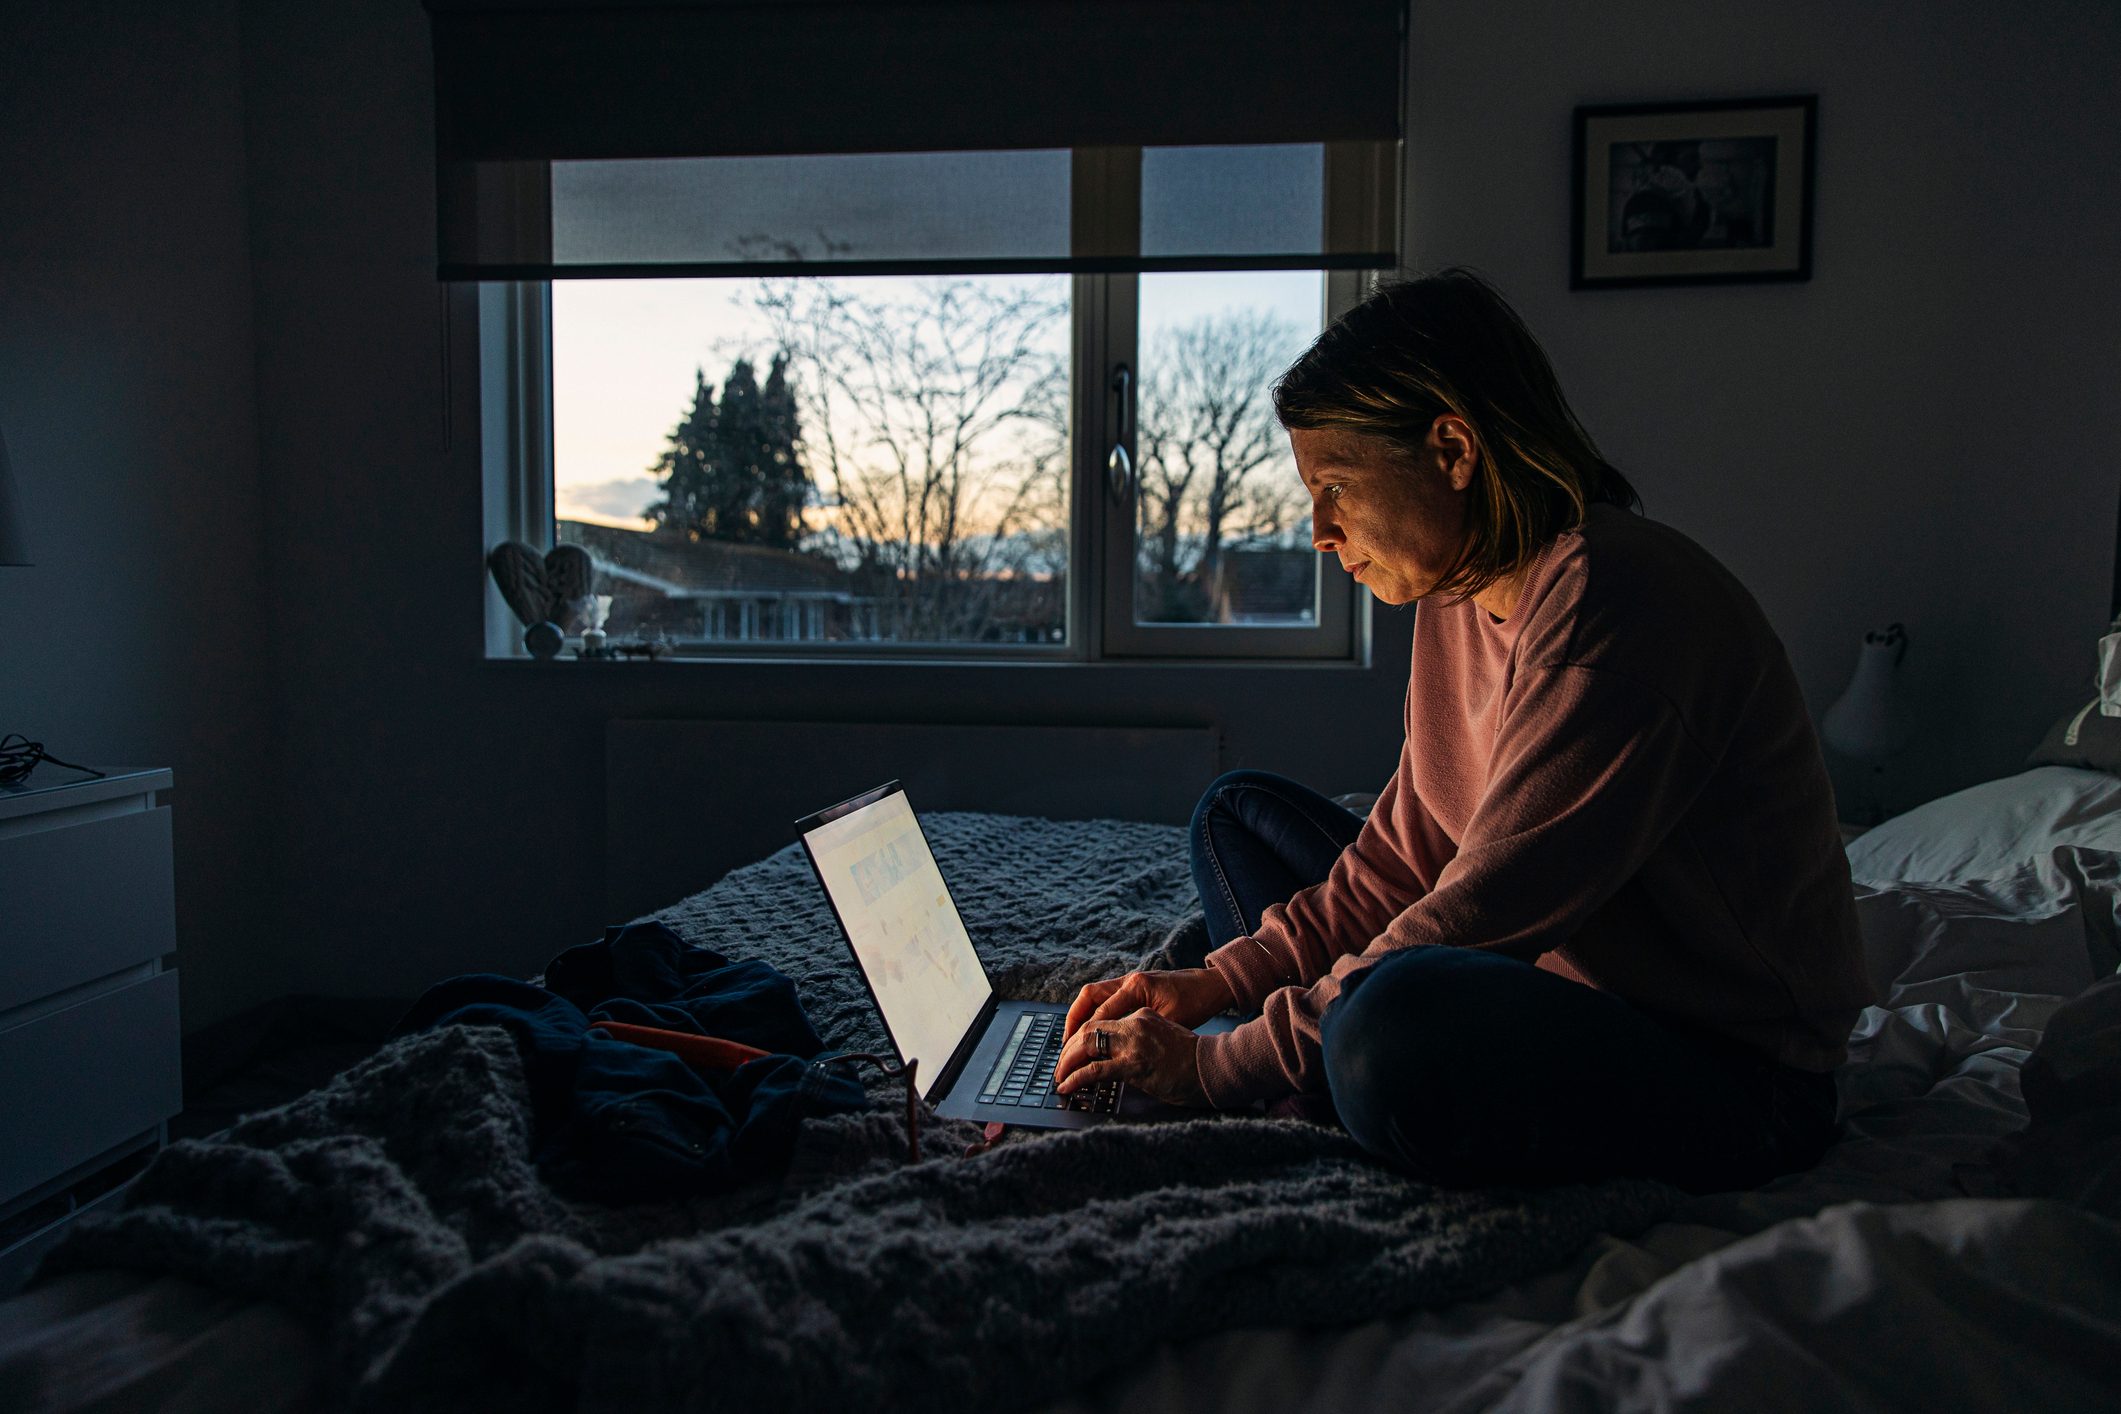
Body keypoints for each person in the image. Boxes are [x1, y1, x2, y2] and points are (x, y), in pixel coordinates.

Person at [1051, 269, 1873, 1193]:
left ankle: (1320, 1072)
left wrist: (1213, 1067)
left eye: (1334, 486)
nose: (1318, 529)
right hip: (1540, 979)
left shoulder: (1613, 608)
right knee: (1233, 815)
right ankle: (1314, 1055)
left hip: (1733, 1074)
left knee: (1381, 1030)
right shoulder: (1458, 594)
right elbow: (1407, 855)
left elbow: (1479, 913)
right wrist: (1219, 983)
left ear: (1451, 449)